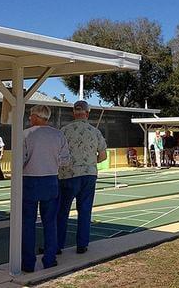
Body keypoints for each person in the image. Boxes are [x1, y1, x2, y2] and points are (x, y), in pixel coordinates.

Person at [21, 105, 69, 273]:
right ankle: (49, 259)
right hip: (51, 180)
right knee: (50, 222)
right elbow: (65, 160)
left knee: (28, 223)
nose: (29, 118)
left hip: (29, 181)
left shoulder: (26, 134)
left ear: (35, 116)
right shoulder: (58, 135)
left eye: (30, 115)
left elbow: (21, 160)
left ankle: (28, 263)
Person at [57, 100, 107, 255]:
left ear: (74, 112)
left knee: (62, 211)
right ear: (87, 113)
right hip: (89, 175)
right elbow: (103, 156)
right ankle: (82, 245)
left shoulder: (64, 131)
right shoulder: (95, 132)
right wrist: (92, 161)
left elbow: (57, 153)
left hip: (67, 175)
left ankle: (57, 245)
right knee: (85, 211)